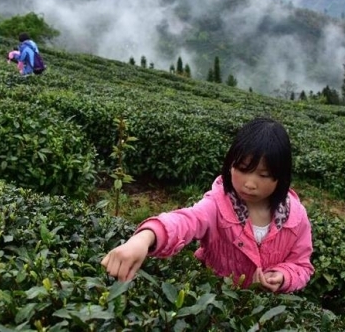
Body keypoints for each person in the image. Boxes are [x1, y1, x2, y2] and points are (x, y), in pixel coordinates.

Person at [101, 117, 314, 293]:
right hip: (214, 300)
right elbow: (186, 220)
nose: (249, 183)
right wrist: (144, 238)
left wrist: (284, 276)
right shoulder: (218, 205)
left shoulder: (295, 218)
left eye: (263, 175)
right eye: (242, 169)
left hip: (264, 312)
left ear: (281, 177)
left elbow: (302, 265)